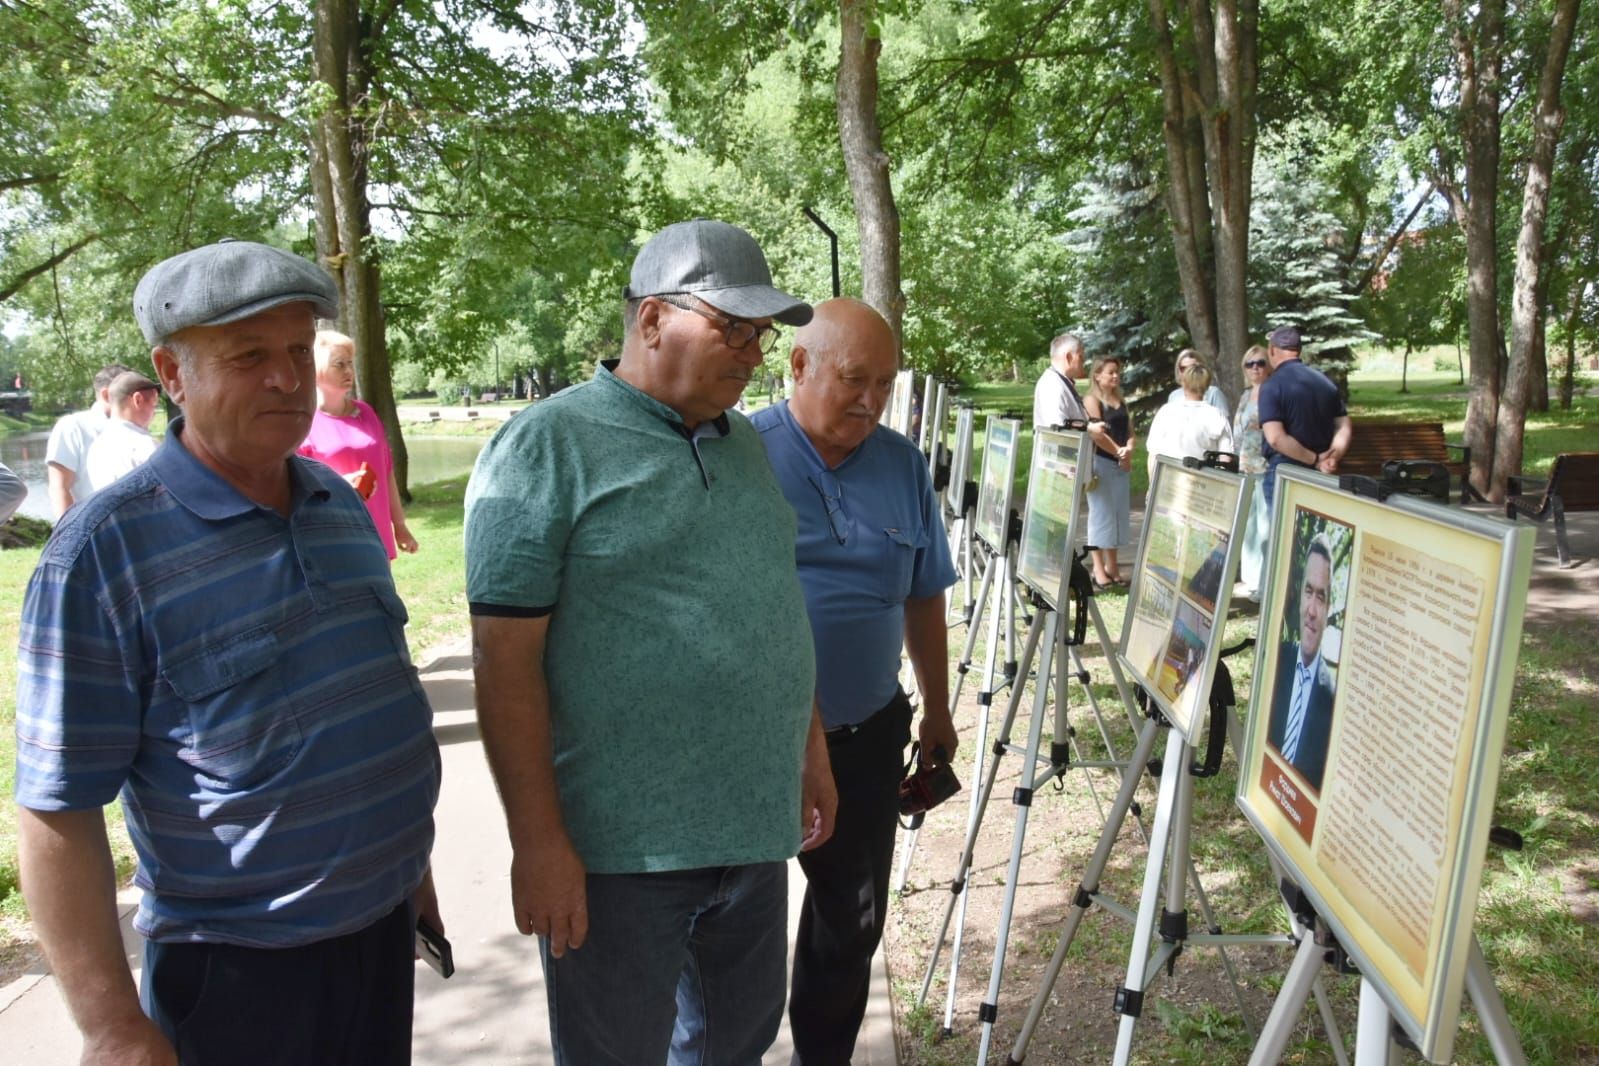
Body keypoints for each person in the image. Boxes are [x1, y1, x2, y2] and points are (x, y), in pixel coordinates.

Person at [14, 238, 442, 1066]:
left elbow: (367, 709)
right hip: (238, 980)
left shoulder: (338, 508)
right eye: (249, 356)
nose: (286, 378)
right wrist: (111, 1026)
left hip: (380, 935)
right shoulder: (103, 556)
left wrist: (409, 870)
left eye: (294, 350)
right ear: (171, 375)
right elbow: (56, 810)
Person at [464, 218, 835, 1065]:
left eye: (760, 333)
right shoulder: (545, 446)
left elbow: (771, 608)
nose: (751, 351)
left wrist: (807, 750)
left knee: (733, 1047)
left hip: (751, 832)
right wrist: (538, 842)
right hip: (617, 856)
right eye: (730, 327)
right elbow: (504, 662)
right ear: (652, 318)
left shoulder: (744, 443)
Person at [749, 298, 958, 1064]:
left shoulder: (901, 464)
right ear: (797, 366)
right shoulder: (739, 454)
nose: (871, 400)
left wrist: (936, 707)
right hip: (753, 744)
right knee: (733, 920)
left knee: (850, 919)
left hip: (868, 734)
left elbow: (924, 591)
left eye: (886, 383)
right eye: (853, 379)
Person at [298, 330, 418, 559]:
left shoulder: (366, 412)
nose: (348, 371)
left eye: (350, 363)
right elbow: (296, 486)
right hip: (333, 536)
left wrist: (400, 526)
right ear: (316, 370)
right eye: (339, 364)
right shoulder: (303, 420)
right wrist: (339, 484)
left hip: (376, 531)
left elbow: (387, 471)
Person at [1266, 532, 1338, 792]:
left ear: (1328, 609)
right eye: (1309, 592)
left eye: (1321, 597)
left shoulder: (1332, 701)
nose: (1312, 610)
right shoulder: (1275, 661)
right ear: (1299, 596)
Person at [1257, 326, 1352, 509]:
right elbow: (1343, 425)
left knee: (1280, 534)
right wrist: (1332, 457)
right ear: (1298, 350)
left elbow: (1276, 438)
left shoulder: (1271, 386)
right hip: (1321, 475)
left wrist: (1314, 459)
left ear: (1272, 350)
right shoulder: (1325, 382)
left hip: (1285, 472)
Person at [44, 362, 132, 517]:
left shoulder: (133, 428)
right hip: (93, 526)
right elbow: (59, 487)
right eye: (130, 393)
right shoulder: (73, 426)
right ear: (106, 395)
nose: (138, 400)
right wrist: (68, 535)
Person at [1081, 355, 1135, 589]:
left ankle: (1113, 566)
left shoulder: (1120, 400)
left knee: (1117, 516)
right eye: (1110, 372)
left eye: (1117, 372)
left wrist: (1129, 450)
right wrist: (1118, 452)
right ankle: (1097, 567)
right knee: (1100, 516)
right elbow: (1097, 435)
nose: (1115, 376)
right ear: (1097, 375)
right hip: (1101, 464)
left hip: (1120, 465)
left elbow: (1131, 431)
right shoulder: (1092, 400)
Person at [1145, 360, 1236, 480]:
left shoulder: (1166, 412)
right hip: (1203, 485)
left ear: (1183, 383)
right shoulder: (1216, 416)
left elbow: (1153, 455)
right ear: (1207, 386)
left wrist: (1152, 485)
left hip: (1168, 483)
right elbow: (1225, 460)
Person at [1232, 345, 1274, 598]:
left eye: (1260, 362)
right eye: (1250, 364)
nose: (1255, 368)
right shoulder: (1246, 395)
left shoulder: (1272, 392)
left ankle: (1265, 582)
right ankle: (1250, 580)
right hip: (1245, 466)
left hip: (1266, 467)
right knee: (1249, 527)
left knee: (1266, 526)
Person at [82, 370, 161, 495]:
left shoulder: (97, 447)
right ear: (138, 400)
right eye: (154, 404)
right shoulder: (145, 445)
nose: (155, 412)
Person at [1032, 331, 1089, 428]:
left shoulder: (1059, 380)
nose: (1084, 361)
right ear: (1069, 357)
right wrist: (1091, 428)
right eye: (1081, 357)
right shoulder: (1052, 386)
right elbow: (1058, 430)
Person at [1165, 349, 1231, 419]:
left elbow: (1223, 422)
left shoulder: (1213, 393)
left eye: (1192, 367)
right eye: (1183, 368)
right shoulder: (1174, 396)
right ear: (1178, 371)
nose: (1188, 372)